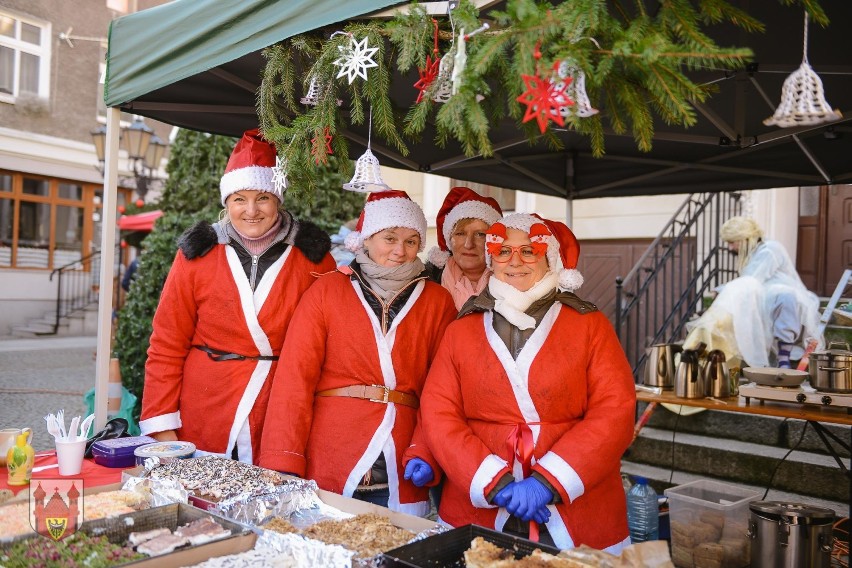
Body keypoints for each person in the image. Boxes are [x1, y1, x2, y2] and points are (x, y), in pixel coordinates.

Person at [417, 213, 636, 553]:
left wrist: (549, 481)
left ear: (548, 257)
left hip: (579, 506)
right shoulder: (462, 329)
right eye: (503, 251)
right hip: (478, 504)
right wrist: (493, 482)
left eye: (528, 251)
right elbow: (438, 412)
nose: (514, 261)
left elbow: (615, 410)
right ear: (492, 258)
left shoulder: (589, 325)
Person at [139, 129, 336, 463]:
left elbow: (329, 349)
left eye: (262, 198)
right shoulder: (197, 254)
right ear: (226, 202)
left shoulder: (313, 258)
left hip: (276, 405)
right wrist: (162, 424)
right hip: (203, 403)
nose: (251, 210)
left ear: (278, 200)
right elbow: (167, 342)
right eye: (239, 199)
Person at [258, 191, 457, 515]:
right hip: (331, 452)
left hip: (402, 459)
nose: (399, 250)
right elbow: (295, 379)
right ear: (367, 239)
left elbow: (442, 388)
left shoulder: (437, 301)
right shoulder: (327, 290)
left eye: (410, 241)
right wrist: (283, 458)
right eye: (389, 238)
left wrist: (425, 448)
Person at [684, 216, 822, 368]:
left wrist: (723, 290)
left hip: (785, 298)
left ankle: (784, 358)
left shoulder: (770, 249)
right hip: (767, 298)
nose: (730, 248)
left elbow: (752, 278)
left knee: (784, 296)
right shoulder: (755, 252)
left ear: (744, 238)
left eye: (731, 242)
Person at [426, 187, 503, 309]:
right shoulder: (425, 287)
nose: (469, 244)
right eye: (460, 234)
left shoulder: (512, 285)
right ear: (449, 240)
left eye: (480, 234)